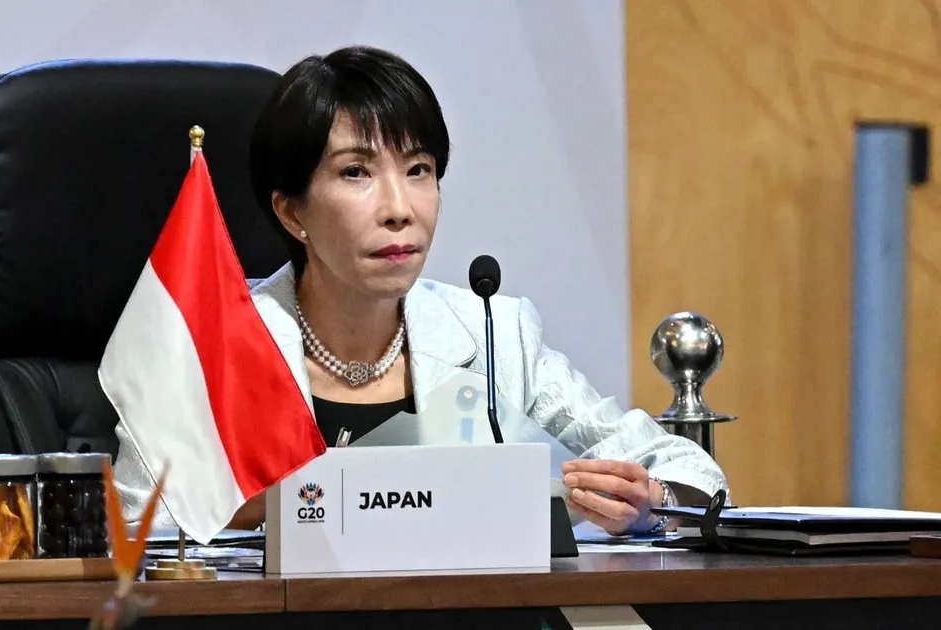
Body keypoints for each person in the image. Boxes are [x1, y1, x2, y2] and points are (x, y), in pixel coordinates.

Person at [111, 45, 728, 537]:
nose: (399, 208)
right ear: (292, 212)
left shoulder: (493, 334)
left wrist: (652, 502)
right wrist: (259, 516)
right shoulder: (212, 345)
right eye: (356, 172)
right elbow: (129, 536)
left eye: (419, 170)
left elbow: (691, 472)